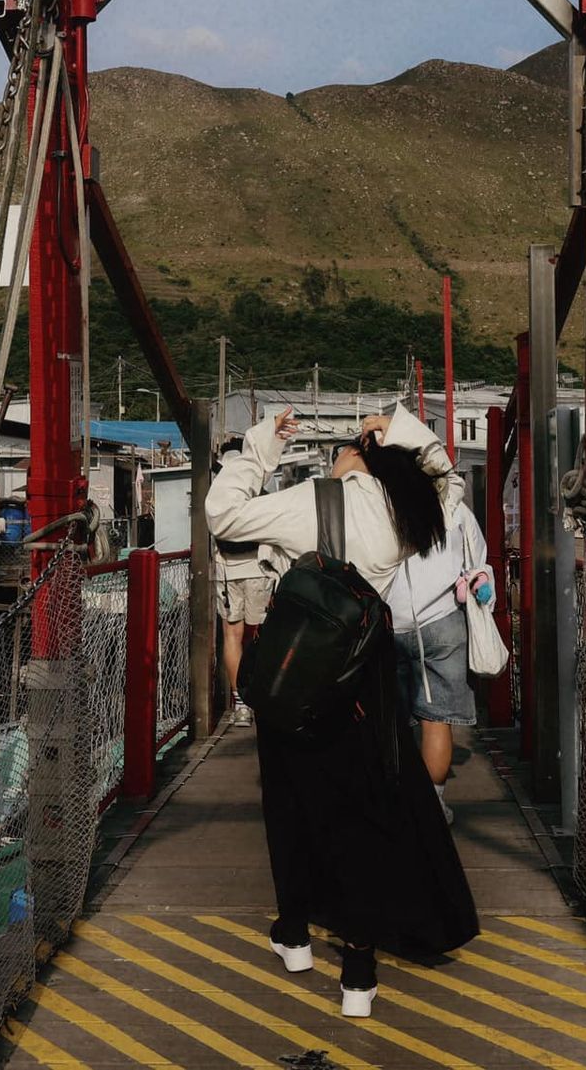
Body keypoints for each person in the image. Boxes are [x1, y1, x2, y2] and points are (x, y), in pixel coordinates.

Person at [206, 403, 478, 1017]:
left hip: (297, 673)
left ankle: (296, 935)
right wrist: (402, 432)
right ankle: (358, 971)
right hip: (364, 680)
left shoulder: (309, 500)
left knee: (292, 804)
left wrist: (260, 447)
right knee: (360, 812)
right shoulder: (403, 512)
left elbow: (221, 513)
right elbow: (449, 483)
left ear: (349, 457)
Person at [384, 498, 492, 824]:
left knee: (389, 719)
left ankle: (395, 799)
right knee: (436, 720)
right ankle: (434, 804)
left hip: (388, 622)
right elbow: (478, 561)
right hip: (442, 621)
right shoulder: (454, 508)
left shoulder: (379, 505)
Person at [212, 449, 277, 729]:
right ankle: (261, 697)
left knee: (232, 635)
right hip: (258, 568)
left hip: (226, 570)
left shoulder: (217, 492)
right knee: (261, 635)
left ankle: (241, 706)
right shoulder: (258, 488)